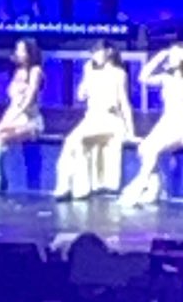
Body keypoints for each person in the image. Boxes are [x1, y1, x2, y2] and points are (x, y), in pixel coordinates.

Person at [120, 35, 183, 208]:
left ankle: (140, 184)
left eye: (175, 55)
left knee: (152, 148)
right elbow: (143, 77)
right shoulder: (166, 78)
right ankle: (154, 186)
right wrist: (160, 56)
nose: (171, 58)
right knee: (144, 148)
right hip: (167, 122)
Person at [54, 40, 136, 200]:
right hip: (91, 118)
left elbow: (124, 103)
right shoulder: (91, 72)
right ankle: (66, 186)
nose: (95, 55)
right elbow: (81, 95)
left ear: (109, 52)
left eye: (98, 51)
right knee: (71, 141)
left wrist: (131, 132)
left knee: (79, 140)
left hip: (111, 120)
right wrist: (86, 79)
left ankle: (80, 187)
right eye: (93, 52)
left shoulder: (118, 74)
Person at [0, 37, 44, 197]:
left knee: (2, 138)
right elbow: (12, 104)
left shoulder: (35, 71)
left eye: (21, 50)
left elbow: (29, 99)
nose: (17, 53)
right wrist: (4, 122)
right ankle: (0, 178)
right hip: (14, 116)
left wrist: (11, 120)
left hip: (29, 119)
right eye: (17, 49)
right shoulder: (17, 72)